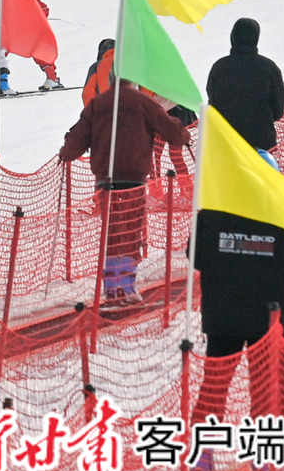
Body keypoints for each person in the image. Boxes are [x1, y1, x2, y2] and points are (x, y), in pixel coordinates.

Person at [189, 180, 284, 471]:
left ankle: (203, 461)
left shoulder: (213, 211)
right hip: (266, 314)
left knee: (215, 386)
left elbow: (195, 256)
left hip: (222, 311)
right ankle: (263, 462)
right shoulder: (280, 212)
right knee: (264, 390)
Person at [60, 78, 191, 304]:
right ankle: (127, 287)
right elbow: (170, 129)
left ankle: (111, 287)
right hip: (134, 178)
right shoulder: (143, 101)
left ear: (110, 79)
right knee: (131, 233)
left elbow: (78, 136)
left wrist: (66, 152)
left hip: (105, 179)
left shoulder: (98, 103)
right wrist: (184, 135)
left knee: (111, 232)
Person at [207, 18, 284, 161]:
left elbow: (213, 102)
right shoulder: (268, 67)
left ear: (233, 37)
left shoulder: (219, 67)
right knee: (262, 181)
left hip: (226, 141)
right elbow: (278, 106)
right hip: (262, 141)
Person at [82, 38, 116, 106]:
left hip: (104, 109)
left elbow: (88, 93)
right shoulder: (129, 64)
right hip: (130, 110)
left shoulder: (96, 66)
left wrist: (91, 113)